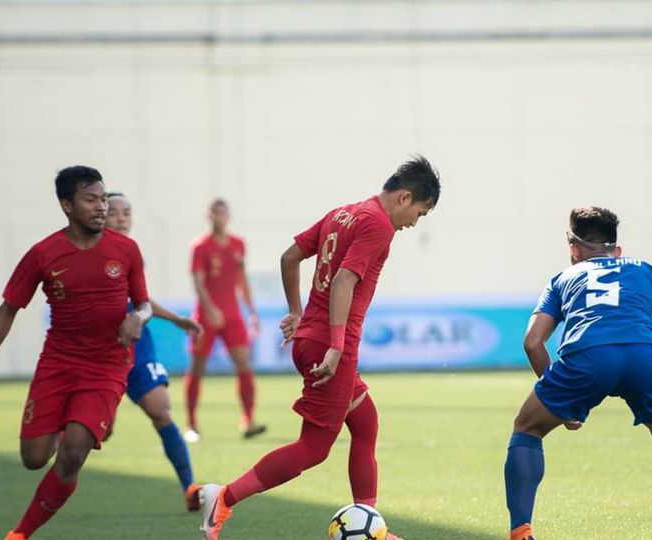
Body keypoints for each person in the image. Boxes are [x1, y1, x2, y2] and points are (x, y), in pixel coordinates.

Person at [199, 156, 441, 540]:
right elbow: (345, 280)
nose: (414, 223)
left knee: (366, 424)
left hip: (311, 339)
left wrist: (297, 311)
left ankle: (371, 524)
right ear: (405, 197)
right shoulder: (378, 225)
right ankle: (224, 497)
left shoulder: (343, 213)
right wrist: (337, 346)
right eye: (420, 213)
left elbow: (289, 256)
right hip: (328, 348)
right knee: (313, 447)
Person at [504, 206, 652, 540]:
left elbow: (533, 342)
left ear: (573, 249)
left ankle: (521, 531)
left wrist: (559, 401)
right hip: (643, 357)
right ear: (616, 251)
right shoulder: (647, 270)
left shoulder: (563, 278)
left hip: (588, 358)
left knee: (527, 429)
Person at [0, 166, 152, 540]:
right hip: (58, 363)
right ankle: (81, 421)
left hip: (108, 365)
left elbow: (145, 304)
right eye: (91, 200)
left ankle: (19, 533)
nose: (102, 207)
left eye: (103, 199)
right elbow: (7, 309)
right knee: (34, 459)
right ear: (67, 205)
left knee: (70, 455)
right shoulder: (43, 254)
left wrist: (138, 316)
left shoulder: (127, 249)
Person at [105, 191, 204, 511]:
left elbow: (141, 301)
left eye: (127, 212)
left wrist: (176, 320)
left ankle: (189, 486)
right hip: (100, 352)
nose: (121, 218)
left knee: (160, 410)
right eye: (113, 212)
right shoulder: (85, 254)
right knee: (97, 434)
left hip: (137, 348)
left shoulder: (132, 253)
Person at [185, 198, 265, 441]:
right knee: (198, 368)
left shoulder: (238, 244)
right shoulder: (201, 246)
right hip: (206, 317)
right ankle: (191, 424)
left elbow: (242, 280)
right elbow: (198, 282)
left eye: (223, 213)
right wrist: (209, 309)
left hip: (232, 316)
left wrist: (251, 312)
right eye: (214, 213)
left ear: (228, 216)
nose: (219, 217)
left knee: (244, 364)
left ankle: (248, 420)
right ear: (208, 216)